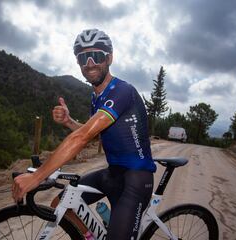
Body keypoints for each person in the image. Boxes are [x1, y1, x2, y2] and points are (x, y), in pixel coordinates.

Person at [13, 29, 156, 240]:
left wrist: (37, 176)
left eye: (96, 56)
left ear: (109, 58)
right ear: (78, 62)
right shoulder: (96, 97)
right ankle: (91, 236)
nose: (90, 63)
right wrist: (69, 122)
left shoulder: (122, 91)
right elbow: (95, 133)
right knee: (61, 204)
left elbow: (81, 138)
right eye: (83, 57)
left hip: (136, 179)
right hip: (113, 174)